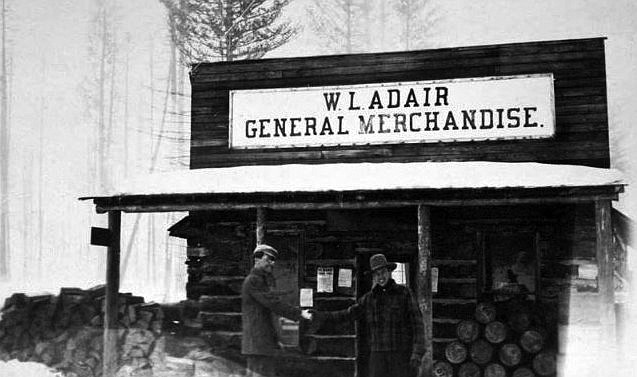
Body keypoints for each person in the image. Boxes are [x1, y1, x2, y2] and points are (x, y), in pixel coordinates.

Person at [313, 253, 424, 377]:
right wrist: (319, 316)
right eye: (377, 274)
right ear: (373, 277)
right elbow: (347, 314)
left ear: (389, 272)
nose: (380, 277)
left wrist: (417, 353)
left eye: (383, 272)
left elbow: (418, 325)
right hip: (377, 356)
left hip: (400, 356)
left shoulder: (404, 293)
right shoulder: (369, 299)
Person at [242, 244, 312, 377]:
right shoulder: (254, 281)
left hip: (261, 344)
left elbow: (266, 314)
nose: (272, 263)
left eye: (273, 260)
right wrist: (299, 313)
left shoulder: (260, 280)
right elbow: (273, 304)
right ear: (257, 260)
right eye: (269, 259)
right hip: (258, 344)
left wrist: (275, 339)